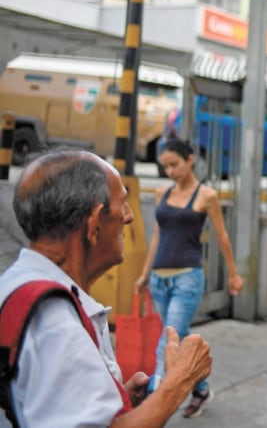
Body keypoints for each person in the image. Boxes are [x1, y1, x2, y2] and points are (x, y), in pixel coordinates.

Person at [0, 148, 212, 426]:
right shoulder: (56, 322)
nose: (129, 216)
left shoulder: (18, 283)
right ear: (95, 222)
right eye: (121, 203)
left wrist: (116, 401)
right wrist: (177, 384)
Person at [135, 138, 243, 419]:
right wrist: (145, 274)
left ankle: (152, 405)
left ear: (190, 160)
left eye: (175, 165)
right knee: (177, 336)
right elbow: (158, 235)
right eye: (166, 167)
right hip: (160, 280)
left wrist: (233, 273)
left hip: (187, 279)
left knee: (165, 343)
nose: (170, 171)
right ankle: (202, 388)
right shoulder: (162, 193)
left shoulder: (206, 196)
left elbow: (222, 236)